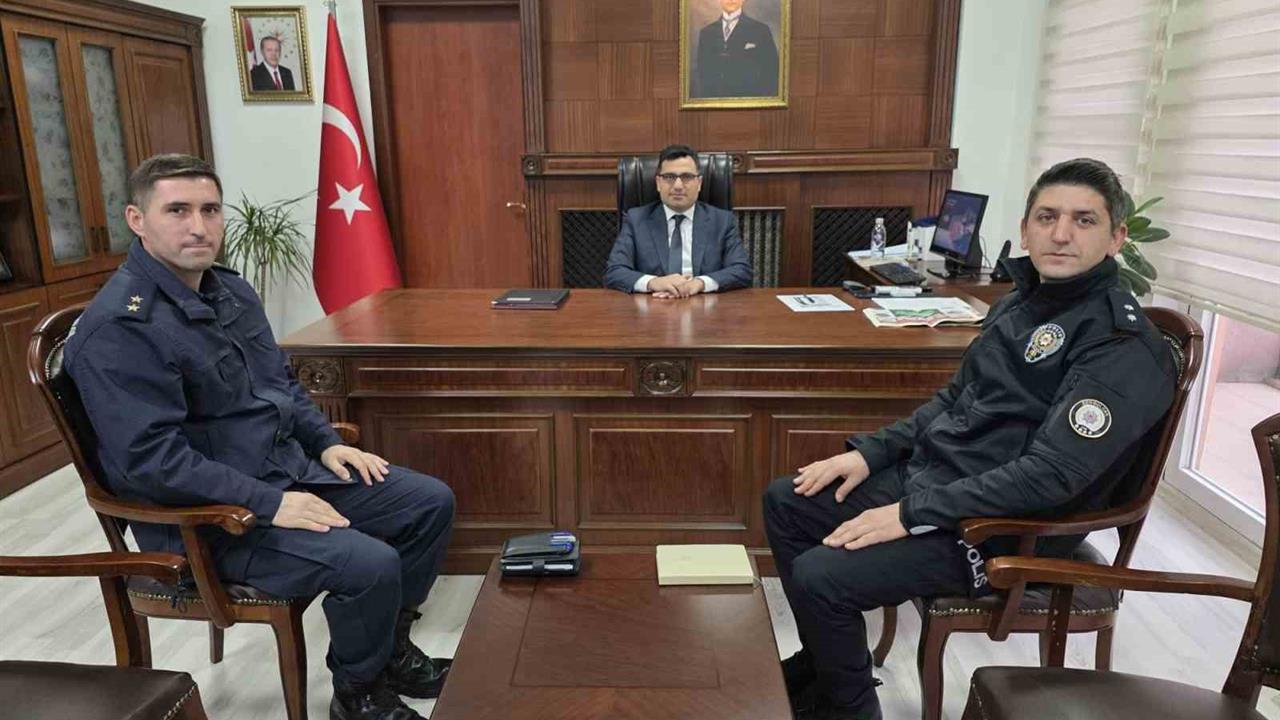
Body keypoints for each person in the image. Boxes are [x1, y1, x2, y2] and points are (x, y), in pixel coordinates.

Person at [762, 158, 1178, 720]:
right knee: (787, 500)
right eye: (1047, 217)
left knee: (821, 577)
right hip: (949, 485)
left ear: (1116, 238)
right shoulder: (1020, 304)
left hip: (1010, 527)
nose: (1061, 234)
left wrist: (909, 513)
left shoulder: (1119, 343)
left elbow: (1051, 476)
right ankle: (827, 670)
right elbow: (955, 400)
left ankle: (849, 709)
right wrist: (872, 454)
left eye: (1084, 220)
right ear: (1025, 229)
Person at [64, 154, 453, 720]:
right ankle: (359, 695)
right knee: (367, 563)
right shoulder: (122, 328)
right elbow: (152, 462)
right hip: (206, 518)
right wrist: (271, 503)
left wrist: (325, 442)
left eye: (210, 210)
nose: (198, 226)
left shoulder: (227, 290)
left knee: (428, 503)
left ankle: (388, 653)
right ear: (137, 219)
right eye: (177, 211)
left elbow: (280, 385)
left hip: (281, 471)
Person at [604, 144, 752, 297]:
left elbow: (742, 270)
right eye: (669, 177)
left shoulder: (722, 221)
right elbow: (614, 272)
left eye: (687, 177)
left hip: (704, 304)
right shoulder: (636, 220)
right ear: (658, 183)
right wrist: (653, 282)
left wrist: (701, 283)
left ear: (699, 183)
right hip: (653, 305)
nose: (678, 186)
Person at [692, 0, 780, 98]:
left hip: (749, 101)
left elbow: (772, 72)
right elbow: (702, 74)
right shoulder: (706, 33)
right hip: (714, 102)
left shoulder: (761, 30)